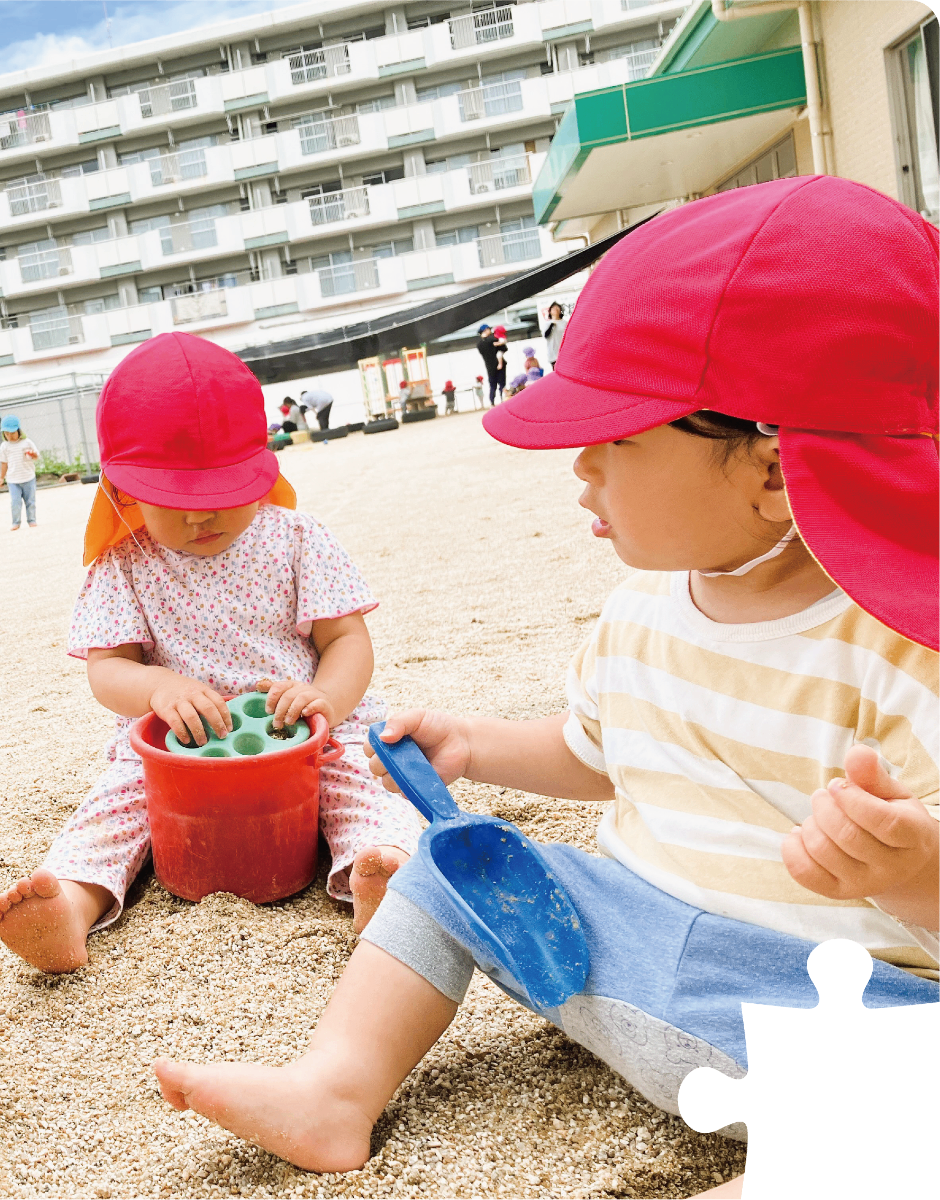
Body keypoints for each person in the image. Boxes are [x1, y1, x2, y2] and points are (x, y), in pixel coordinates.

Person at [147, 177, 940, 1200]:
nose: (580, 470)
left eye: (617, 440)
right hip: (618, 949)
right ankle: (334, 1088)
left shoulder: (896, 644)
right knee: (449, 863)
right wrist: (476, 748)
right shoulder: (642, 610)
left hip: (823, 1012)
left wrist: (910, 862)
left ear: (774, 470)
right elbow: (600, 754)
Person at [0, 333, 422, 973]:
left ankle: (379, 877)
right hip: (176, 746)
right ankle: (70, 905)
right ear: (124, 491)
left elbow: (347, 640)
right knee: (115, 807)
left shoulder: (295, 538)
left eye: (223, 490)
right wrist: (157, 688)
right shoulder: (127, 564)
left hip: (301, 729)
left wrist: (326, 697)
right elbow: (108, 669)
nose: (202, 517)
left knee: (363, 783)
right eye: (176, 501)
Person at [0, 414, 40, 530]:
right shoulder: (4, 446)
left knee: (30, 501)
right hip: (13, 480)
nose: (10, 436)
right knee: (15, 502)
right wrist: (1, 477)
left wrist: (32, 454)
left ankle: (32, 520)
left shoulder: (27, 442)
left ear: (19, 431)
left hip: (28, 477)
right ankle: (16, 522)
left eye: (12, 433)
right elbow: (4, 463)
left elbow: (36, 456)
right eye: (6, 433)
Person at [474, 326, 500, 406]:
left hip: (488, 366)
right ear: (485, 330)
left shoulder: (479, 344)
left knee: (492, 385)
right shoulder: (491, 339)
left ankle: (492, 402)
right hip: (497, 363)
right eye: (489, 329)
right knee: (501, 383)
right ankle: (501, 399)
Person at [543, 300, 568, 367]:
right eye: (553, 309)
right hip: (553, 353)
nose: (556, 310)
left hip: (564, 352)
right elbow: (546, 335)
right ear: (550, 311)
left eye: (557, 308)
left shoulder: (565, 323)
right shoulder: (547, 324)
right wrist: (551, 326)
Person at [489, 324, 509, 401]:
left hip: (500, 353)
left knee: (499, 355)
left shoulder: (500, 338)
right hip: (501, 353)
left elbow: (502, 343)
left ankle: (500, 364)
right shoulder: (501, 337)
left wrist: (496, 344)